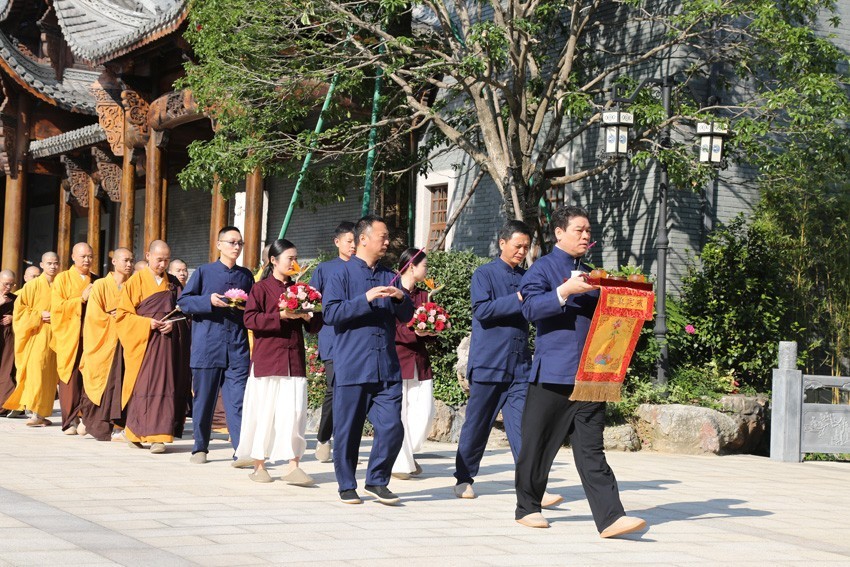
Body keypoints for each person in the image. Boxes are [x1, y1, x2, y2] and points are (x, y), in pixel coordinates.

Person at [514, 206, 646, 536]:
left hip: (592, 376)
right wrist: (563, 292)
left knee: (591, 449)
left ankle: (611, 518)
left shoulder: (593, 275)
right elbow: (529, 308)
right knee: (538, 444)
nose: (586, 236)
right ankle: (527, 507)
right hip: (553, 374)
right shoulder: (542, 269)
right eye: (579, 230)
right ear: (559, 233)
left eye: (588, 231)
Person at [454, 220, 563, 506]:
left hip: (520, 366)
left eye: (526, 247)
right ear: (502, 243)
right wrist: (518, 298)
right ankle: (464, 478)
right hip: (490, 364)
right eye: (518, 246)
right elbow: (483, 310)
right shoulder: (484, 274)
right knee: (477, 425)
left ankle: (532, 488)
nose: (522, 252)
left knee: (524, 429)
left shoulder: (529, 277)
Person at [323, 214, 413, 505]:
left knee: (392, 427)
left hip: (386, 366)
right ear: (363, 239)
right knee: (348, 430)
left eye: (387, 237)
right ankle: (346, 485)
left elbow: (408, 316)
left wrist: (400, 297)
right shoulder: (340, 273)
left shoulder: (390, 276)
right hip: (352, 365)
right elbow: (331, 314)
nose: (387, 242)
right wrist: (365, 299)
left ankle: (376, 480)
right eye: (382, 236)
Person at [239, 239, 320, 485]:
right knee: (265, 412)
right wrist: (281, 315)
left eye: (296, 258)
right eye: (290, 258)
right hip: (267, 359)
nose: (294, 263)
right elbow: (250, 320)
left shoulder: (302, 289)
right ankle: (259, 463)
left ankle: (293, 465)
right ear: (274, 261)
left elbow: (316, 325)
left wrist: (308, 316)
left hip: (293, 359)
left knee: (294, 413)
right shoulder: (261, 288)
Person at [177, 226, 254, 465]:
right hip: (208, 346)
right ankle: (200, 447)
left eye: (240, 243)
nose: (236, 247)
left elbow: (253, 308)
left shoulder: (246, 276)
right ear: (219, 244)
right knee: (204, 399)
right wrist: (207, 301)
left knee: (238, 400)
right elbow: (184, 302)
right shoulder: (204, 272)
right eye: (231, 242)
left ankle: (241, 450)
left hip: (237, 347)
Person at [116, 240, 192, 453]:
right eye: (159, 259)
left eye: (166, 260)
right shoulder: (135, 282)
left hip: (167, 345)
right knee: (142, 387)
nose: (163, 264)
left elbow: (184, 314)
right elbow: (122, 316)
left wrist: (172, 324)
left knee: (166, 387)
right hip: (144, 344)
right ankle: (135, 432)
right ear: (148, 255)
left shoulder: (174, 283)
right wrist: (146, 323)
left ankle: (159, 436)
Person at [309, 221, 356, 463]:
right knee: (335, 389)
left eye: (356, 240)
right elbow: (313, 301)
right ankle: (324, 437)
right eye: (349, 241)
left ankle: (346, 444)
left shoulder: (365, 268)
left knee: (354, 393)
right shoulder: (325, 269)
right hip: (333, 338)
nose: (353, 245)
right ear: (337, 242)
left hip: (358, 340)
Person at [79, 248, 134, 441]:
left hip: (125, 342)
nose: (129, 264)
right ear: (114, 262)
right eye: (125, 260)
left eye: (131, 261)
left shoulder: (132, 285)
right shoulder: (100, 285)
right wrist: (115, 319)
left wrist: (123, 317)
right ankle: (93, 423)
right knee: (100, 382)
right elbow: (94, 316)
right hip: (103, 343)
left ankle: (119, 426)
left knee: (120, 384)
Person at [391, 248, 435, 480]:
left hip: (420, 361)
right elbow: (392, 327)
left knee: (425, 412)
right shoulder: (392, 292)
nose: (427, 269)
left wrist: (434, 327)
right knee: (400, 413)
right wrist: (414, 331)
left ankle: (407, 454)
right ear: (411, 266)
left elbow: (430, 328)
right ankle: (400, 462)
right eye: (424, 265)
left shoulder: (425, 295)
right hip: (397, 359)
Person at [3, 252, 61, 426]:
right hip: (37, 336)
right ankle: (34, 412)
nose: (53, 266)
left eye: (56, 263)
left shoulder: (61, 285)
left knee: (50, 376)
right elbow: (20, 312)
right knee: (37, 373)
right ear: (42, 265)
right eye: (49, 263)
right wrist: (39, 315)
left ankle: (42, 414)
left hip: (57, 336)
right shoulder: (31, 286)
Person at [51, 242, 99, 435]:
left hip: (90, 336)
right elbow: (57, 307)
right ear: (73, 257)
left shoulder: (96, 279)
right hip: (69, 336)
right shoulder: (62, 279)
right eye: (83, 256)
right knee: (69, 378)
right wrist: (81, 300)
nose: (87, 260)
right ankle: (70, 420)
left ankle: (86, 417)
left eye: (90, 256)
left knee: (88, 376)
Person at [0, 270, 17, 415]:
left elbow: (23, 315)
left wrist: (13, 318)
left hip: (7, 337)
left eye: (11, 285)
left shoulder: (14, 299)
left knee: (6, 370)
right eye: (6, 284)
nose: (8, 288)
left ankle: (5, 405)